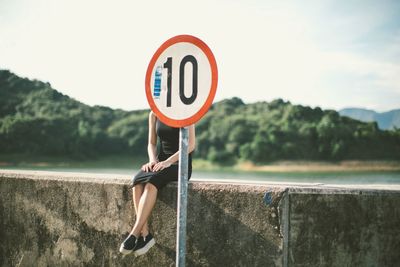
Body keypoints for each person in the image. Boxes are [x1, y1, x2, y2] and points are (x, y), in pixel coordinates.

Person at [119, 111, 195, 256]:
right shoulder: (154, 114)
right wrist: (153, 160)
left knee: (151, 182)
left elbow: (190, 145)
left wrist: (168, 162)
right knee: (138, 180)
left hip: (179, 164)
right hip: (160, 163)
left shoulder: (186, 112)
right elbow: (151, 143)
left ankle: (135, 233)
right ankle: (146, 234)